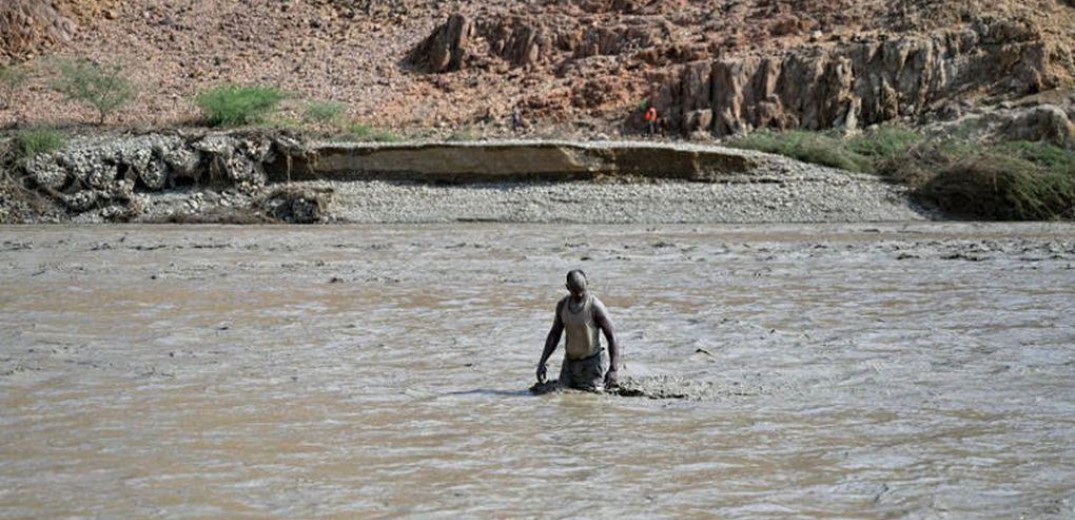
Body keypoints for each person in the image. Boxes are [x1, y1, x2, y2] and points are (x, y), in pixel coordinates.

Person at [536, 270, 620, 391]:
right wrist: (542, 362)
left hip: (592, 364)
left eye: (583, 291)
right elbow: (554, 334)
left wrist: (613, 369)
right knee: (561, 397)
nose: (580, 295)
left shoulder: (595, 306)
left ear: (587, 283)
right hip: (570, 364)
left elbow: (612, 337)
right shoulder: (562, 306)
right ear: (567, 288)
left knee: (591, 399)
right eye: (576, 293)